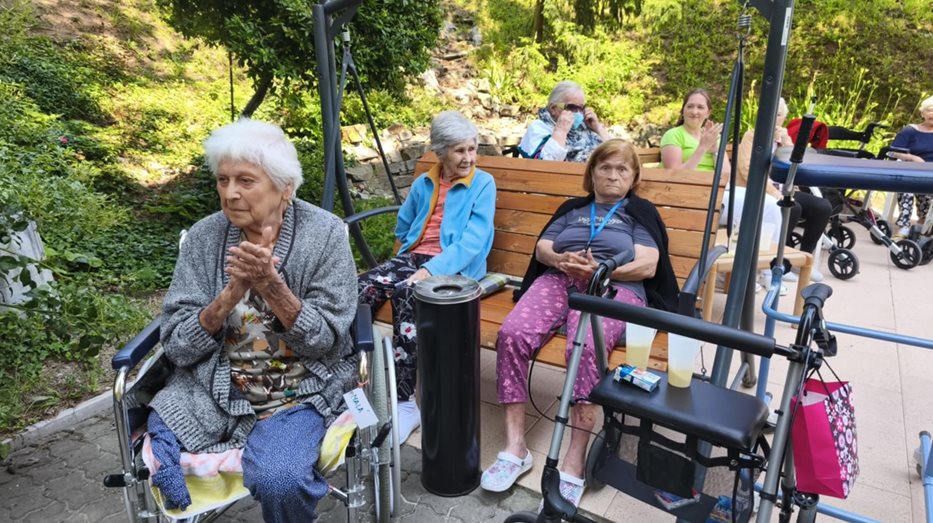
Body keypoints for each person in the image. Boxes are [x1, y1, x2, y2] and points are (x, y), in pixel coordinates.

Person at [147, 118, 359, 521]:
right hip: (213, 384)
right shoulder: (204, 238)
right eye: (223, 180)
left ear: (285, 188)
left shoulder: (326, 235)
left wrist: (273, 287)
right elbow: (176, 345)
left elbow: (326, 340)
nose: (230, 193)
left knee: (281, 478)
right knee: (162, 428)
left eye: (245, 180)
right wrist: (229, 297)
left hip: (298, 388)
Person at [480, 139, 678, 507]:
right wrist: (559, 260)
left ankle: (574, 462)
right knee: (512, 334)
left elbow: (649, 264)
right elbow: (543, 246)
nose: (613, 175)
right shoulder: (573, 209)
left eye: (622, 169)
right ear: (592, 173)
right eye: (605, 167)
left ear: (634, 176)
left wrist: (603, 269)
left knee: (584, 345)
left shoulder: (638, 213)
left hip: (615, 287)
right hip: (560, 279)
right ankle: (516, 447)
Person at [357, 110, 496, 444]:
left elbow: (473, 242)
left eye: (472, 149)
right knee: (361, 289)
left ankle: (405, 401)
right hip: (414, 257)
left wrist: (431, 269)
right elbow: (404, 225)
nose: (468, 157)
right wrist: (403, 258)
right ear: (440, 152)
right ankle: (357, 381)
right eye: (459, 150)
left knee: (408, 293)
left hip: (455, 267)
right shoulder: (424, 183)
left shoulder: (482, 184)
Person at [737, 97, 832, 283]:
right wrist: (774, 192)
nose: (774, 118)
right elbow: (747, 170)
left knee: (823, 207)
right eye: (770, 113)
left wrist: (787, 142)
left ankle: (802, 259)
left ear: (784, 118)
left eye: (779, 115)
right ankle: (777, 261)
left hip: (784, 188)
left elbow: (796, 166)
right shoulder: (751, 136)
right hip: (758, 190)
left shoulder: (784, 139)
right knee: (792, 208)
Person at [518, 80, 611, 163]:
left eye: (581, 108)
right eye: (571, 107)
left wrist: (598, 129)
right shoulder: (538, 127)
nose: (577, 113)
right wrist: (560, 131)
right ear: (553, 108)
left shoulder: (585, 127)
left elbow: (615, 153)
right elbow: (545, 165)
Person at [660, 88, 731, 174]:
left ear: (708, 113)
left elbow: (726, 175)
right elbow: (674, 175)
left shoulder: (713, 136)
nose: (694, 111)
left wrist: (715, 151)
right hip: (686, 182)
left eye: (700, 107)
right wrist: (703, 147)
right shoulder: (673, 135)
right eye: (690, 106)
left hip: (712, 182)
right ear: (683, 111)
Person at [890, 95, 933, 238]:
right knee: (907, 188)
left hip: (931, 176)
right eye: (930, 110)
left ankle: (923, 225)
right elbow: (893, 152)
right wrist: (912, 158)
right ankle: (904, 227)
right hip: (912, 172)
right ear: (922, 113)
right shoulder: (910, 130)